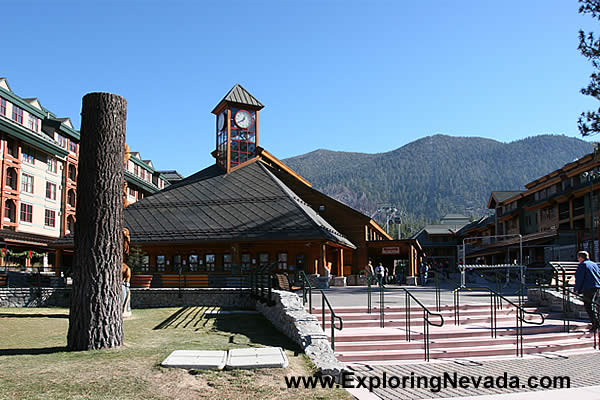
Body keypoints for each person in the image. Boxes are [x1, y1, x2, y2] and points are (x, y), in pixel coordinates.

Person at [575, 251, 600, 331]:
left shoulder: (583, 265)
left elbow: (579, 278)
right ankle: (597, 324)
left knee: (589, 306)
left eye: (578, 257)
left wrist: (577, 289)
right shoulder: (594, 264)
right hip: (597, 287)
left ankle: (596, 325)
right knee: (595, 305)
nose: (578, 259)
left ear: (581, 257)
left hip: (588, 288)